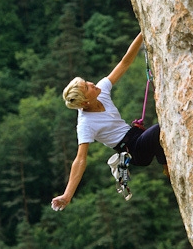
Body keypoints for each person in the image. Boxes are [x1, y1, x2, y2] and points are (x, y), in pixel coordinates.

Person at [51, 32, 167, 211]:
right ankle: (165, 163)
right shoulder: (85, 124)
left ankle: (166, 164)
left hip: (137, 136)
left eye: (87, 82)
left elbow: (125, 62)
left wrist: (142, 33)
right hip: (133, 151)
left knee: (159, 136)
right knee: (163, 127)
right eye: (87, 87)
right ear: (84, 102)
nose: (92, 84)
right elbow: (80, 160)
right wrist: (67, 195)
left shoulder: (100, 90)